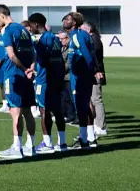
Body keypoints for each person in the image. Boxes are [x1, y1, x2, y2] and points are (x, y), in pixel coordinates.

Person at [0, 5, 38, 159]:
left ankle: (16, 147)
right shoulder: (24, 30)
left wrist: (24, 68)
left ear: (1, 15)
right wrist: (31, 68)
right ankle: (31, 146)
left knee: (15, 112)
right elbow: (33, 53)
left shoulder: (7, 30)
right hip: (26, 77)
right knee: (27, 112)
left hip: (13, 76)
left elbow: (11, 55)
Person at [27, 14, 67, 153]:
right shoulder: (55, 38)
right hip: (56, 79)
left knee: (44, 110)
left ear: (36, 25)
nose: (30, 28)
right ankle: (62, 142)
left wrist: (34, 48)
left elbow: (43, 61)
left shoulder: (44, 40)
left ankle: (47, 143)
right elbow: (59, 60)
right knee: (58, 111)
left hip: (44, 81)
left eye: (31, 25)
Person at [64, 13, 98, 148]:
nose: (64, 21)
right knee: (84, 106)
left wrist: (87, 71)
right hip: (81, 75)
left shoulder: (77, 36)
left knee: (81, 107)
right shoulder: (79, 35)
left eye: (67, 19)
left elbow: (88, 55)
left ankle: (84, 140)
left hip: (80, 76)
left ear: (74, 23)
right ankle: (89, 137)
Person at [84, 22, 107, 138]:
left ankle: (101, 126)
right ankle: (97, 124)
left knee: (96, 99)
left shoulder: (94, 40)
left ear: (88, 30)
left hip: (95, 74)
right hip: (93, 73)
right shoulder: (94, 39)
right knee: (93, 100)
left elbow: (95, 58)